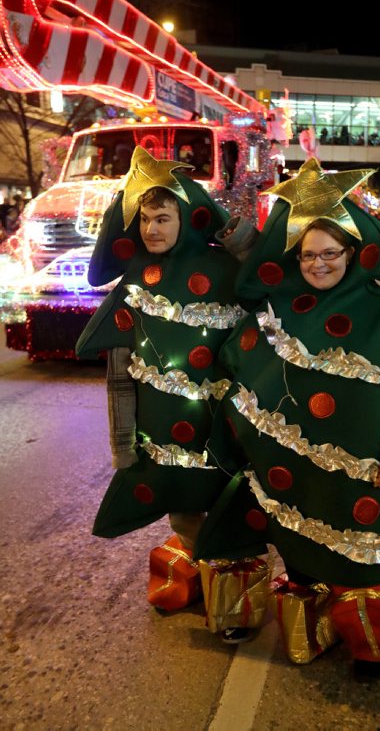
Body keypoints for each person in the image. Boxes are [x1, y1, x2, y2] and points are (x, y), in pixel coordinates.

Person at [195, 159, 380, 680]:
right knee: (297, 542)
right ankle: (312, 624)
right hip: (288, 466)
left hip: (361, 467)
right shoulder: (278, 308)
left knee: (360, 556)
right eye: (309, 255)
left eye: (330, 254)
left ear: (353, 252)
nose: (319, 264)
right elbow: (241, 361)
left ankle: (370, 643)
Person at [76, 146, 246, 611]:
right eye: (144, 219)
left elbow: (271, 279)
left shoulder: (227, 270)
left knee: (231, 507)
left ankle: (233, 597)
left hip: (223, 427)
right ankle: (194, 576)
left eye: (162, 218)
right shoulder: (135, 279)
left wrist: (227, 223)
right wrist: (123, 442)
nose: (151, 229)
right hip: (163, 433)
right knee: (184, 510)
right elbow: (118, 375)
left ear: (187, 217)